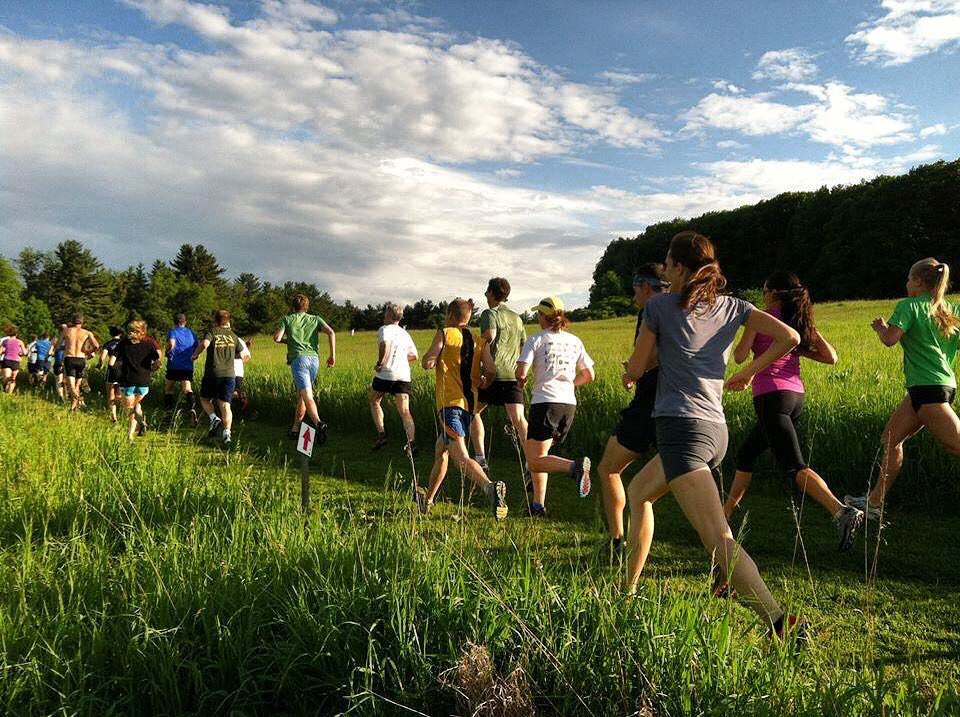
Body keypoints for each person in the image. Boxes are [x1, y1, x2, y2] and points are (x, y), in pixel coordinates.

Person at [622, 231, 803, 638]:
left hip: (681, 430)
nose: (665, 272)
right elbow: (789, 337)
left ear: (681, 268)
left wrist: (630, 372)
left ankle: (779, 622)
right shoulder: (734, 306)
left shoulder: (659, 307)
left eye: (668, 265)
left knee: (718, 538)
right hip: (714, 429)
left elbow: (636, 368)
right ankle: (626, 592)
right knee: (639, 493)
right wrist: (744, 373)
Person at [724, 272, 864, 551]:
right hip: (794, 396)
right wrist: (797, 350)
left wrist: (746, 339)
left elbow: (739, 356)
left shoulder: (761, 316)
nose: (762, 294)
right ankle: (725, 513)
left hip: (770, 396)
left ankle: (840, 511)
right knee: (747, 453)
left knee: (793, 466)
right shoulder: (798, 319)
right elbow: (831, 357)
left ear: (772, 292)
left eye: (764, 289)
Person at [846, 258, 960, 519]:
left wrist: (881, 328)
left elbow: (890, 340)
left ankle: (874, 504)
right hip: (933, 386)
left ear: (919, 282)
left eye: (909, 280)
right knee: (889, 441)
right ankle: (874, 504)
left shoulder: (909, 306)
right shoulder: (950, 309)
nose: (907, 284)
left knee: (956, 445)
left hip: (928, 388)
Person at [597, 264, 669, 554]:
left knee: (608, 469)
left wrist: (632, 372)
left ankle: (617, 539)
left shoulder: (651, 311)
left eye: (635, 289)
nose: (633, 295)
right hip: (680, 406)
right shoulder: (681, 309)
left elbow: (650, 357)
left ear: (645, 286)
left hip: (648, 402)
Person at [419, 299, 508, 520]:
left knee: (460, 457)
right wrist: (484, 382)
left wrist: (431, 360)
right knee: (442, 450)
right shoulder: (478, 340)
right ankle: (427, 501)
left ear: (450, 314)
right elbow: (490, 369)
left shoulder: (445, 333)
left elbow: (428, 361)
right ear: (468, 318)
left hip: (449, 405)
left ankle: (489, 487)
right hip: (469, 407)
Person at [515, 297, 595, 516]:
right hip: (568, 404)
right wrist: (570, 383)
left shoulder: (536, 339)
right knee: (542, 457)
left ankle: (574, 467)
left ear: (543, 316)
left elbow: (521, 371)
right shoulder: (575, 341)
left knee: (534, 461)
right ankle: (537, 506)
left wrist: (521, 380)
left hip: (545, 403)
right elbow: (589, 374)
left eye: (538, 315)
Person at [471, 277, 528, 473]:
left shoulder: (489, 313)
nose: (485, 295)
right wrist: (522, 372)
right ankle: (531, 460)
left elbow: (490, 336)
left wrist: (478, 355)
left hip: (492, 373)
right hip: (512, 375)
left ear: (493, 294)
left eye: (487, 292)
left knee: (474, 412)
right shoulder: (517, 317)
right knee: (519, 420)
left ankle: (480, 458)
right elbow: (523, 346)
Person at [274, 294, 335, 441]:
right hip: (314, 360)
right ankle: (296, 428)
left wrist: (287, 341)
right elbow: (331, 332)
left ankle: (318, 423)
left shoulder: (287, 319)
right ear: (307, 306)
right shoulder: (315, 319)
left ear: (293, 306)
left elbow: (277, 338)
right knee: (302, 395)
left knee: (307, 395)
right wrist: (333, 355)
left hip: (298, 360)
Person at [369, 302, 418, 456]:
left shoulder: (384, 329)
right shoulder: (405, 334)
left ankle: (382, 434)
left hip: (385, 373)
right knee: (404, 410)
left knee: (374, 400)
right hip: (403, 375)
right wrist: (400, 358)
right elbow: (414, 356)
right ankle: (411, 443)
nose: (383, 316)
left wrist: (380, 363)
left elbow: (385, 344)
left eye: (385, 313)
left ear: (389, 316)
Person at [193, 309, 243, 446]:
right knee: (225, 405)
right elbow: (241, 355)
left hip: (213, 373)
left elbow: (204, 344)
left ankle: (213, 418)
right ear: (227, 321)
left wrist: (195, 354)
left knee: (204, 398)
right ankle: (227, 434)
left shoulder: (212, 332)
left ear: (215, 321)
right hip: (229, 375)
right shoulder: (233, 336)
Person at [110, 320, 160, 440]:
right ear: (142, 331)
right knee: (136, 405)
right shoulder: (149, 345)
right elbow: (158, 362)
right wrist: (151, 369)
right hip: (143, 381)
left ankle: (133, 432)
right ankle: (134, 430)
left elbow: (111, 362)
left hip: (127, 381)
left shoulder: (123, 344)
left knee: (129, 409)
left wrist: (116, 373)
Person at [164, 313, 199, 416]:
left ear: (175, 322)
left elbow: (171, 343)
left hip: (174, 364)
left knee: (169, 389)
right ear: (185, 322)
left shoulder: (173, 331)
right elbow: (196, 348)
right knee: (187, 389)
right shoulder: (193, 334)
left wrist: (167, 351)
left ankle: (168, 412)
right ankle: (192, 408)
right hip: (187, 365)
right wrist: (194, 356)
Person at [62, 315, 99, 410]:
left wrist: (65, 346)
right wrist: (89, 352)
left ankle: (77, 397)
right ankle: (73, 408)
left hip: (69, 358)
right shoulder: (87, 332)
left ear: (72, 322)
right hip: (81, 359)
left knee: (71, 386)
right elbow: (96, 345)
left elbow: (58, 345)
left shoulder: (66, 331)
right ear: (82, 322)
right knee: (77, 385)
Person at [98, 326, 125, 423]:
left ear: (111, 334)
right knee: (120, 393)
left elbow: (102, 358)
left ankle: (114, 417)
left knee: (110, 393)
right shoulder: (125, 343)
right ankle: (123, 410)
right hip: (123, 370)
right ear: (121, 333)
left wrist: (99, 365)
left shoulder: (108, 344)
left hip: (112, 369)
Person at [0, 326, 26, 395]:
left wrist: (4, 352)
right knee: (13, 379)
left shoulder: (5, 341)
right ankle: (9, 394)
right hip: (15, 362)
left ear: (8, 334)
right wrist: (21, 353)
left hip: (7, 361)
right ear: (16, 334)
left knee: (6, 378)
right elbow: (25, 353)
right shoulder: (20, 342)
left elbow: (0, 352)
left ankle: (5, 391)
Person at [231, 335, 252, 418]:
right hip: (237, 371)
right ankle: (241, 413)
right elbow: (247, 355)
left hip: (233, 371)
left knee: (233, 393)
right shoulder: (238, 339)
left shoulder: (237, 339)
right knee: (235, 393)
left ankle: (241, 413)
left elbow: (247, 356)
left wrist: (235, 365)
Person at [52, 324, 67, 401]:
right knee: (68, 380)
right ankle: (66, 395)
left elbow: (53, 350)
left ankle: (61, 396)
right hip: (67, 361)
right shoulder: (69, 338)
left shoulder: (55, 339)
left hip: (58, 361)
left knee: (59, 380)